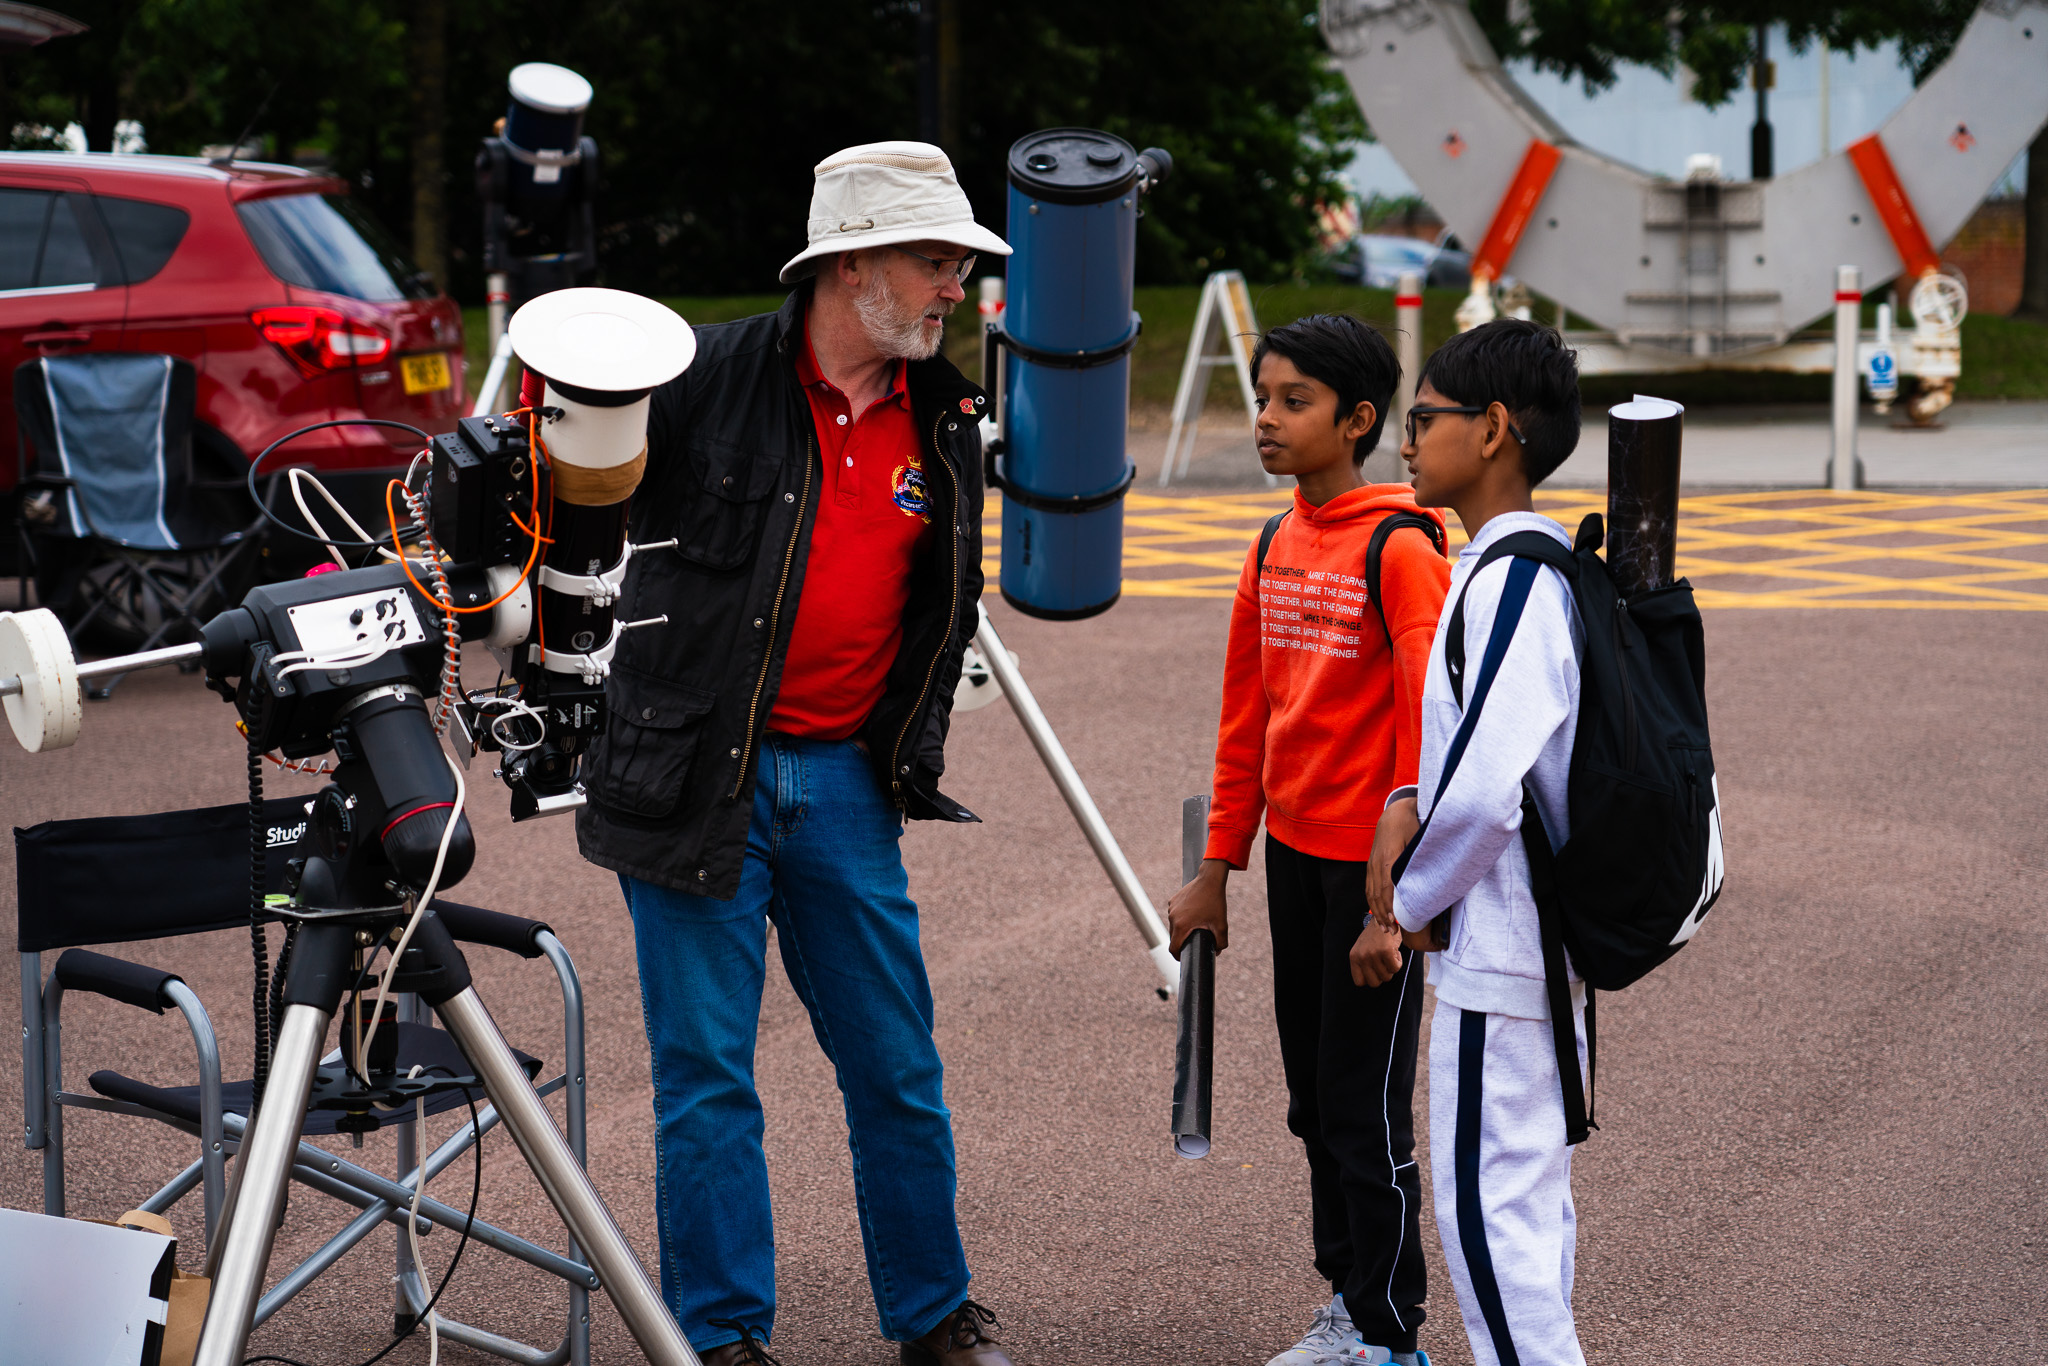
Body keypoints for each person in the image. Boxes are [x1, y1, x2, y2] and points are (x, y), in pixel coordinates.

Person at [570, 142, 1016, 1366]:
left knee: (896, 1065)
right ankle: (721, 1339)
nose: (955, 287)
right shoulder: (696, 374)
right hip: (690, 776)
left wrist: (905, 751)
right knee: (707, 1077)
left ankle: (933, 1316)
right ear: (852, 263)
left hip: (844, 782)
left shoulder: (945, 411)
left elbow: (944, 608)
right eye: (935, 261)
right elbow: (556, 497)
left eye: (959, 265)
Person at [1167, 314, 1451, 1366]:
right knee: (1312, 1105)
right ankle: (1348, 1305)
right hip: (1293, 860)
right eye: (1262, 399)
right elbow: (1245, 718)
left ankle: (1390, 1335)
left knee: (1364, 1111)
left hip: (1371, 871)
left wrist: (1396, 907)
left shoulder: (1401, 548)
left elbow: (1428, 732)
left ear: (1359, 418)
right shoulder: (1273, 542)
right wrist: (1215, 870)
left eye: (1295, 401)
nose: (1267, 420)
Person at [1364, 318, 1588, 1366]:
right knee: (1525, 1218)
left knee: (1490, 1225)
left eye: (1424, 420)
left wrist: (1402, 908)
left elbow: (1486, 792)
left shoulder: (1508, 584)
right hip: (1533, 950)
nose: (1407, 443)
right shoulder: (1533, 570)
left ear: (1493, 428)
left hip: (1499, 953)